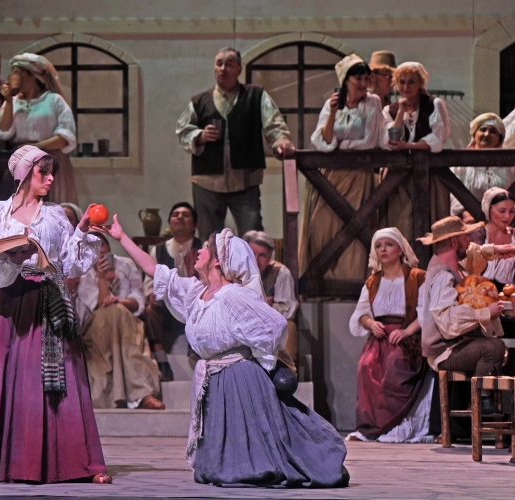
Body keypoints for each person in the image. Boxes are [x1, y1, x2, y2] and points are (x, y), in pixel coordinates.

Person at [96, 219, 349, 488]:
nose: (199, 251)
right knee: (215, 468)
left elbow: (274, 325)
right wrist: (121, 237)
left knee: (252, 459)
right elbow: (154, 269)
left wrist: (262, 356)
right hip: (214, 378)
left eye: (206, 248)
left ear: (218, 260)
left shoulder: (232, 296)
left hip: (238, 378)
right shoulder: (197, 293)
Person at [0, 145, 110, 484]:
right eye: (44, 172)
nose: (51, 178)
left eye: (52, 172)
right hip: (7, 302)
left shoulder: (55, 215)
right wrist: (12, 258)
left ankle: (74, 464)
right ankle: (6, 464)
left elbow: (69, 263)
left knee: (56, 380)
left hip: (47, 298)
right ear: (26, 174)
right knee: (3, 379)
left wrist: (83, 232)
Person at [175, 47, 295, 240]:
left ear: (239, 69)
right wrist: (199, 135)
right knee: (209, 240)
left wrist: (281, 141)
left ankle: (252, 262)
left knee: (253, 237)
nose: (223, 69)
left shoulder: (256, 95)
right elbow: (182, 130)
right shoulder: (199, 101)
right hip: (207, 181)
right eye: (219, 64)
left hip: (245, 180)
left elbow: (274, 124)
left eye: (229, 64)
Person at [301, 54, 384, 281]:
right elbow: (322, 141)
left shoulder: (372, 102)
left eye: (366, 78)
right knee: (321, 225)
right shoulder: (333, 104)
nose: (363, 83)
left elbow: (371, 141)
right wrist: (332, 114)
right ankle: (325, 280)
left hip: (359, 175)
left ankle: (352, 281)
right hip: (331, 176)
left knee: (355, 227)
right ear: (346, 80)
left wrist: (340, 146)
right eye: (358, 78)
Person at [347, 228, 433, 443]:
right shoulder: (373, 282)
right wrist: (371, 323)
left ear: (400, 249)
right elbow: (361, 314)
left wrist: (406, 331)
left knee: (396, 365)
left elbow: (425, 312)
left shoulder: (417, 277)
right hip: (380, 338)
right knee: (366, 365)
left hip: (408, 339)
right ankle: (370, 427)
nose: (383, 249)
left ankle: (397, 427)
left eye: (389, 244)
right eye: (378, 246)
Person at [419, 216, 510, 416]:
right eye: (465, 237)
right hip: (444, 350)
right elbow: (448, 319)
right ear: (454, 241)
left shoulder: (456, 266)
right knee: (492, 347)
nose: (469, 241)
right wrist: (485, 313)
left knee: (499, 348)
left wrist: (497, 250)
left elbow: (475, 253)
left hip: (456, 344)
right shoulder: (442, 275)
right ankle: (481, 400)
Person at [76, 232, 164, 410]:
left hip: (127, 321)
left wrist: (118, 302)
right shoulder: (82, 272)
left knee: (121, 317)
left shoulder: (126, 264)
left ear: (107, 247)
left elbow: (138, 301)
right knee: (112, 313)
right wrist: (101, 277)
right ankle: (137, 394)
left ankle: (143, 394)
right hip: (97, 326)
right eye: (90, 247)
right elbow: (100, 304)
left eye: (100, 246)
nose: (97, 251)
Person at [0, 53, 78, 204]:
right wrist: (9, 101)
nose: (12, 77)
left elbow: (65, 137)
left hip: (50, 161)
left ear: (32, 76)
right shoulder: (13, 102)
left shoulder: (54, 101)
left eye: (17, 73)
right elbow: (4, 131)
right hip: (22, 164)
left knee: (51, 206)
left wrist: (36, 147)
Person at [382, 62, 452, 240]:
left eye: (411, 82)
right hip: (399, 176)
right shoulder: (390, 110)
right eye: (402, 82)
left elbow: (437, 139)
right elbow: (390, 139)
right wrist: (400, 113)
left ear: (420, 83)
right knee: (400, 220)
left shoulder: (434, 104)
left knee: (431, 219)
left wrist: (408, 147)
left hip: (430, 174)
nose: (406, 87)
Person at [141, 202, 203, 380]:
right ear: (169, 223)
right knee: (151, 310)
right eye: (176, 215)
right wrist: (151, 294)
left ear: (195, 225)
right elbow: (149, 281)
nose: (180, 218)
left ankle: (196, 351)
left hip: (194, 304)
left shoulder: (203, 247)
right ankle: (161, 359)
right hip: (167, 307)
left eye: (185, 215)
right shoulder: (159, 250)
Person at [242, 230, 298, 365]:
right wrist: (261, 305)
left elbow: (288, 310)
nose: (256, 260)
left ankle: (283, 371)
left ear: (269, 257)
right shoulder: (235, 271)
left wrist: (254, 307)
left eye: (262, 255)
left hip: (269, 327)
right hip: (242, 326)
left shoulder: (280, 272)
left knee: (289, 326)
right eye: (252, 253)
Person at [451, 114, 514, 217]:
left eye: (493, 131)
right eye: (483, 129)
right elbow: (453, 193)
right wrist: (465, 213)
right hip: (468, 220)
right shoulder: (461, 165)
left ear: (499, 138)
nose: (487, 134)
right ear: (474, 134)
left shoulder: (509, 167)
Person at [479, 187, 515, 287]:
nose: (507, 216)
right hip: (479, 291)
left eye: (511, 211)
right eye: (502, 211)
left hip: (508, 293)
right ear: (489, 210)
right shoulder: (476, 236)